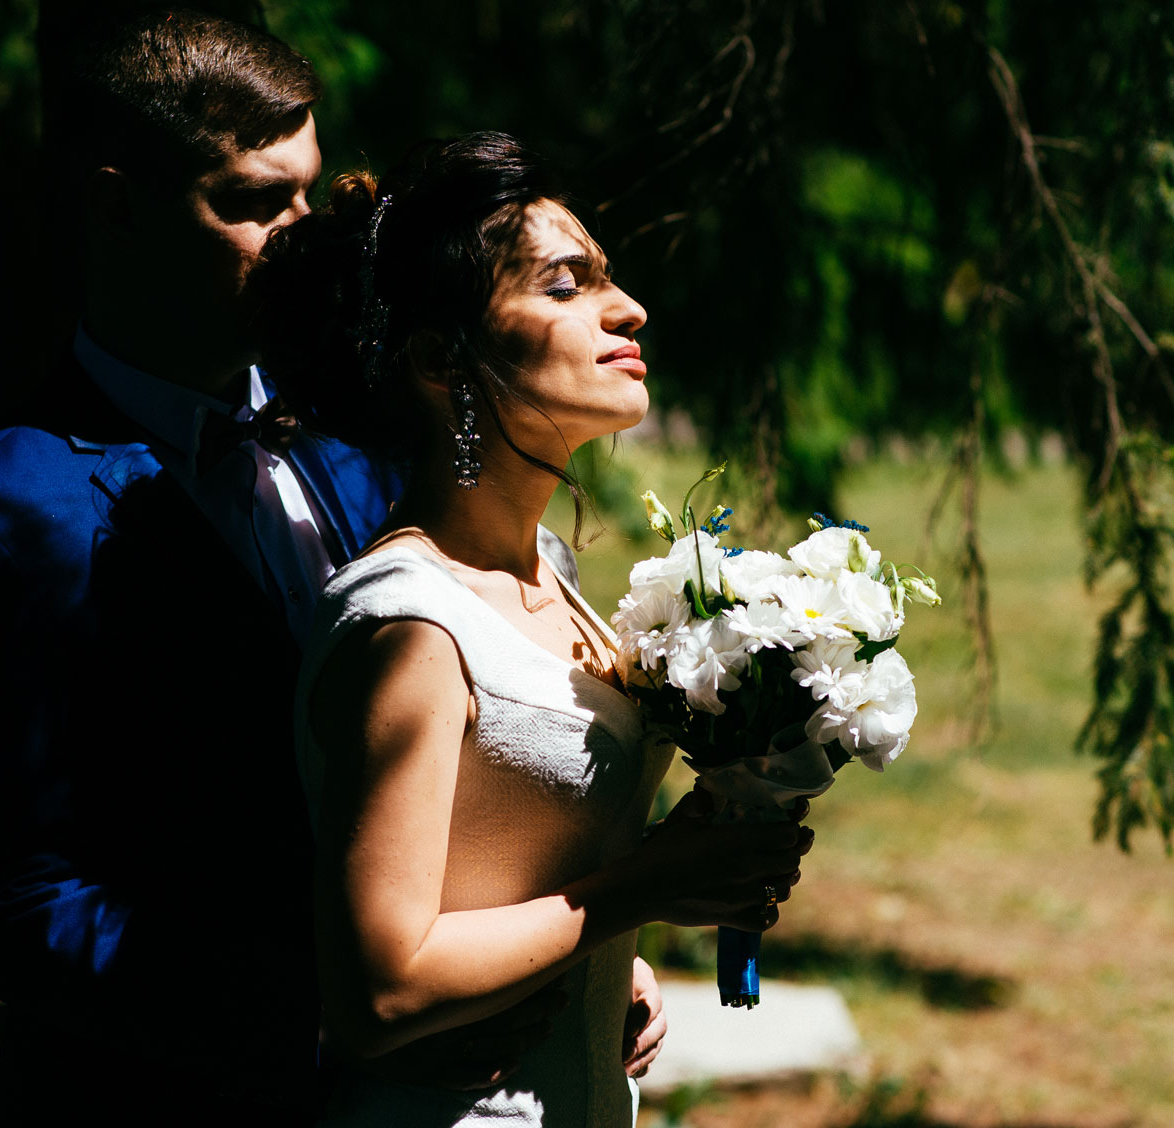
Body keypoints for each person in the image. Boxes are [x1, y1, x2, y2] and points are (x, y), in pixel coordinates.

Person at [0, 11, 631, 1124]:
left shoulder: (373, 450)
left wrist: (552, 962)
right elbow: (25, 911)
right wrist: (340, 1009)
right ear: (112, 204)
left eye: (308, 193)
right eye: (248, 203)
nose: (301, 235)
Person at [253, 132, 813, 1127]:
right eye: (565, 286)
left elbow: (510, 866)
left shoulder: (547, 569)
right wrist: (642, 886)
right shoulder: (412, 627)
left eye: (606, 279)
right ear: (440, 358)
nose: (627, 307)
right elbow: (381, 991)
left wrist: (628, 943)